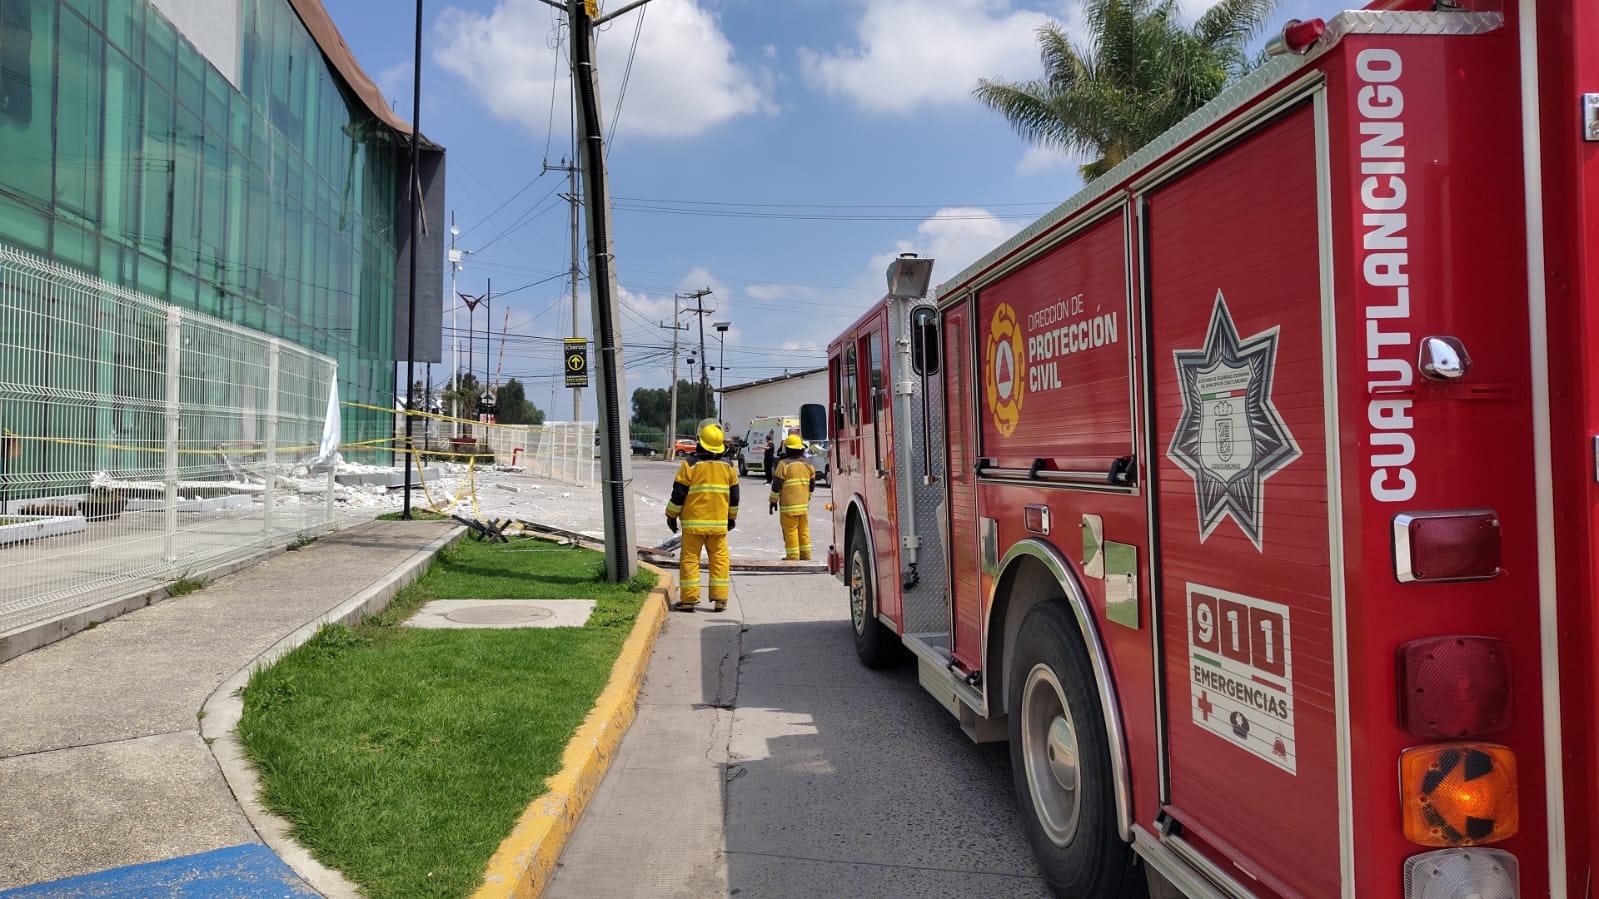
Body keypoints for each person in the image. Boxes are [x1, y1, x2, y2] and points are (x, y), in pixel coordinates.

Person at [665, 423, 739, 612]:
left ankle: (689, 600)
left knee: (690, 559)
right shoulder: (729, 467)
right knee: (720, 559)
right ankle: (720, 599)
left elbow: (678, 494)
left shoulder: (689, 465)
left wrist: (671, 516)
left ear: (700, 442)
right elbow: (734, 496)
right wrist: (731, 518)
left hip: (693, 526)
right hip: (718, 526)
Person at [768, 433, 815, 561]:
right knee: (803, 530)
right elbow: (812, 485)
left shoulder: (783, 464)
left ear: (787, 449)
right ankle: (806, 556)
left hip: (788, 506)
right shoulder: (808, 465)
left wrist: (773, 500)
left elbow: (776, 484)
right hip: (803, 506)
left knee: (790, 530)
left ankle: (793, 557)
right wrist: (807, 498)